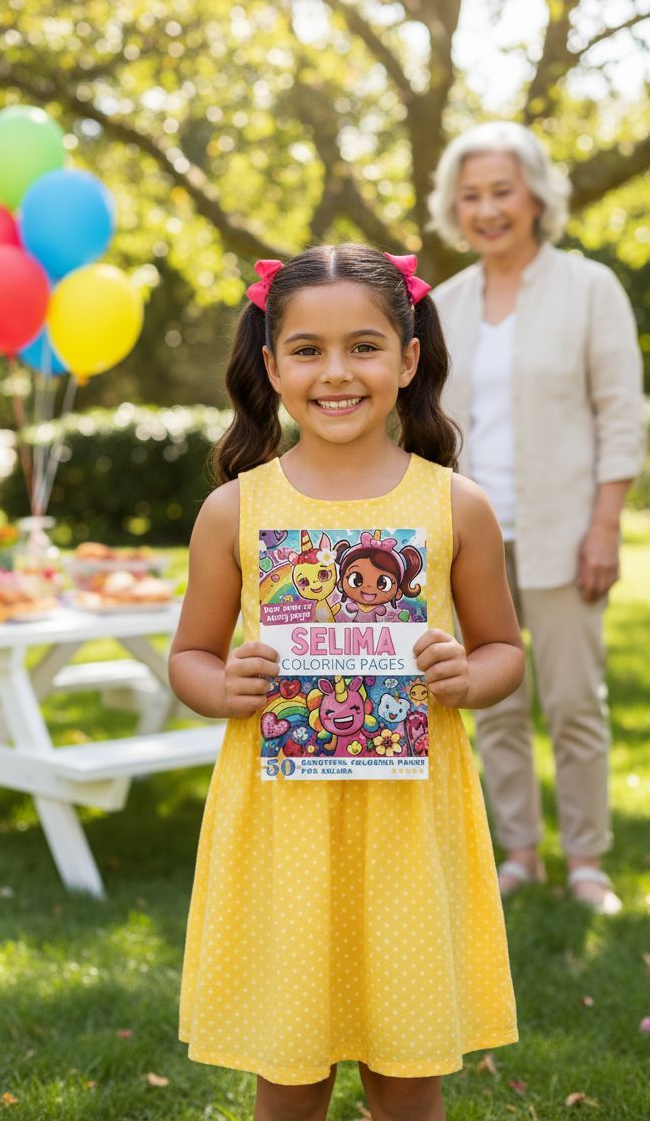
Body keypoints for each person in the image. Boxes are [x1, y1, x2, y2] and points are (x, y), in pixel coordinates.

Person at [170, 244, 525, 1121]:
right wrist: (224, 687)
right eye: (308, 350)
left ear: (408, 362)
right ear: (271, 365)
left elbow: (504, 651)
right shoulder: (235, 511)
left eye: (364, 347)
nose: (337, 372)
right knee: (291, 1066)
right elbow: (190, 656)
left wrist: (465, 676)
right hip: (283, 824)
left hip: (409, 823)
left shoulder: (456, 506)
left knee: (406, 1070)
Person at [428, 122, 645, 915]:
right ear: (456, 208)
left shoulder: (590, 289)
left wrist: (605, 526)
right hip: (469, 539)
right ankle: (519, 850)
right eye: (471, 196)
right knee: (492, 701)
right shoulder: (444, 304)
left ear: (535, 198)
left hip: (563, 532)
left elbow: (620, 414)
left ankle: (587, 859)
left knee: (575, 698)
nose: (487, 209)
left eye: (501, 191)